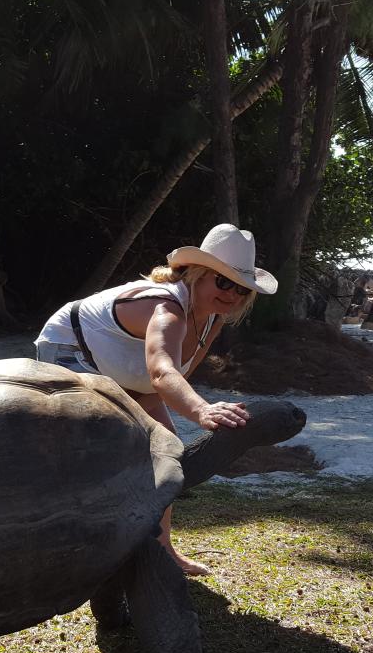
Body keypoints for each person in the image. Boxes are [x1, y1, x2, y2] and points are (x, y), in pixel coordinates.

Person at [35, 223, 277, 576]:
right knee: (98, 448)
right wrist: (203, 410)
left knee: (168, 452)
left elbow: (177, 372)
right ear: (197, 275)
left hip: (126, 366)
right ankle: (77, 547)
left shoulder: (213, 319)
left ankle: (162, 550)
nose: (232, 295)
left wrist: (166, 403)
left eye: (242, 289)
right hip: (72, 349)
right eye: (223, 282)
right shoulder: (166, 307)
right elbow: (163, 372)